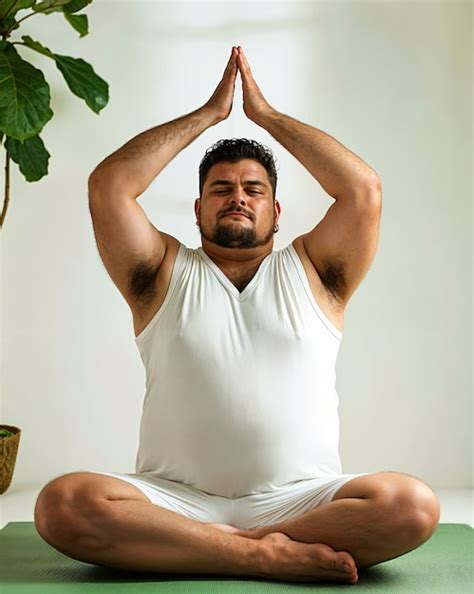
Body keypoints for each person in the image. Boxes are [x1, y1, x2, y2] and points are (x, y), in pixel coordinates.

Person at [34, 46, 440, 584]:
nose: (238, 198)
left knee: (412, 505)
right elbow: (109, 187)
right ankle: (263, 556)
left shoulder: (318, 275)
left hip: (300, 503)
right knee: (60, 504)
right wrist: (207, 116)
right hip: (174, 502)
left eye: (255, 189)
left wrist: (267, 116)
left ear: (277, 211)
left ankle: (217, 548)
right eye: (220, 189)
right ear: (198, 209)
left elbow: (362, 190)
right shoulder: (158, 274)